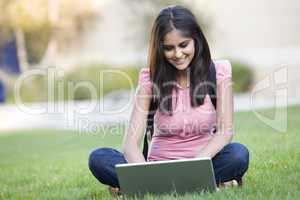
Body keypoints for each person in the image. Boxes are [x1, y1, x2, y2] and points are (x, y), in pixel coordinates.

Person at [88, 5, 249, 195]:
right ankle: (173, 184)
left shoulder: (218, 74)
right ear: (159, 48)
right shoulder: (150, 80)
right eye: (169, 48)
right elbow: (130, 144)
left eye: (183, 45)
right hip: (157, 166)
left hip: (204, 162)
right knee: (99, 158)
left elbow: (225, 132)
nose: (178, 54)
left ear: (196, 40)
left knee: (238, 154)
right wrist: (145, 173)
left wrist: (193, 167)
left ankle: (153, 187)